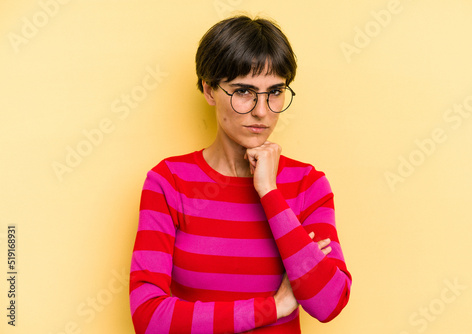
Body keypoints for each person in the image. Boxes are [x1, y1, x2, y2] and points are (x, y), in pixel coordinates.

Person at [129, 15, 351, 333]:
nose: (262, 110)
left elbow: (328, 302)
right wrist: (274, 307)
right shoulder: (169, 182)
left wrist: (270, 193)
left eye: (275, 92)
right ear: (209, 90)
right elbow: (149, 318)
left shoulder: (307, 185)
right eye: (244, 91)